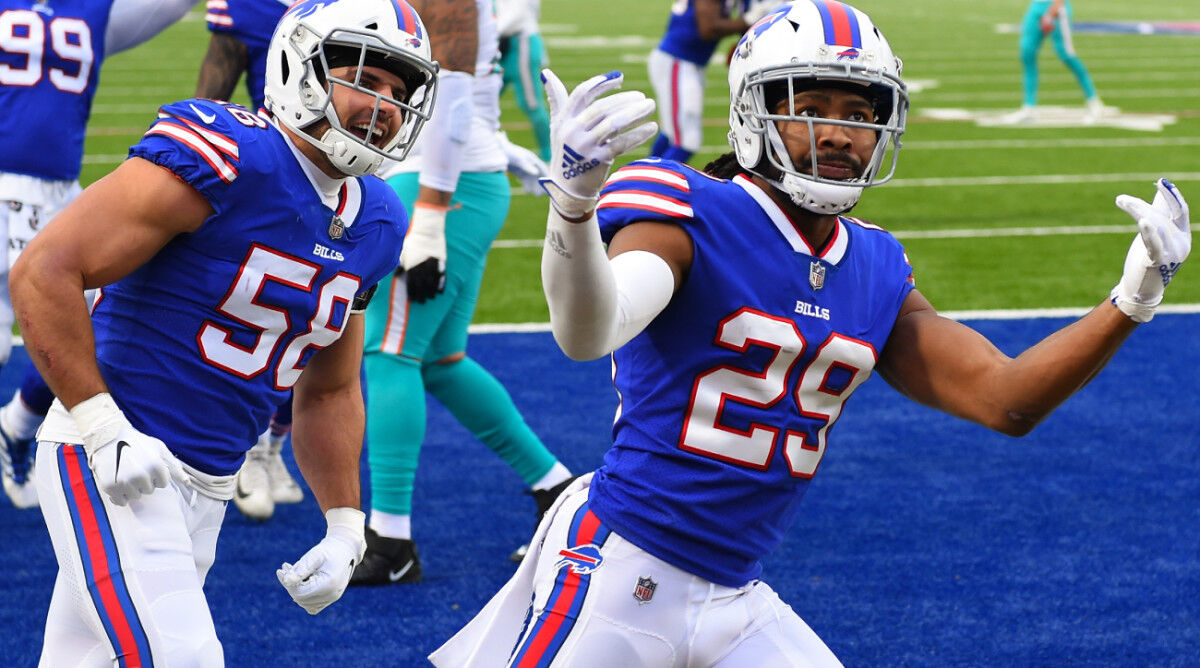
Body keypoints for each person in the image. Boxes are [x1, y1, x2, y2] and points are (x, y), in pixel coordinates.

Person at [430, 1, 1192, 664]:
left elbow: (1006, 399)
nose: (840, 132)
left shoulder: (876, 264)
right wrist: (572, 212)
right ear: (753, 110)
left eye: (862, 114)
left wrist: (1130, 298)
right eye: (811, 104)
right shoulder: (691, 206)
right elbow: (589, 330)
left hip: (735, 596)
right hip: (620, 568)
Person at [11, 0, 438, 662]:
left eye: (398, 91)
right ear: (304, 68)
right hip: (112, 458)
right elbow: (44, 271)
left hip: (209, 485)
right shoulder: (232, 152)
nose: (384, 105)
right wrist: (101, 427)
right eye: (365, 78)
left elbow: (328, 389)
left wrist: (346, 522)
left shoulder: (376, 218)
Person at [349, 0, 572, 586]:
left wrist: (427, 216)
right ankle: (556, 488)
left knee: (389, 353)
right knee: (441, 361)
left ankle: (391, 538)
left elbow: (448, 94)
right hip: (455, 176)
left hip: (439, 184)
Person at [0, 0, 204, 509]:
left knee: (90, 322)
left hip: (59, 194)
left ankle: (17, 423)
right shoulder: (88, 12)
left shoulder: (90, 11)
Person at [194, 0, 308, 521]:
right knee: (261, 319)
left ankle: (270, 449)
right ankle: (241, 450)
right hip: (273, 178)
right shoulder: (249, 5)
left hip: (348, 183)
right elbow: (212, 93)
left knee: (314, 328)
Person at [646, 0, 780, 164]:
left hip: (686, 64)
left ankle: (641, 179)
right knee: (687, 141)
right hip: (678, 62)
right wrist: (747, 20)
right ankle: (651, 184)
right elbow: (708, 28)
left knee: (671, 134)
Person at [1012, 0, 1108, 123]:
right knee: (1027, 53)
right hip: (1036, 6)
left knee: (1067, 55)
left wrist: (1050, 13)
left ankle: (1094, 101)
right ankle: (1029, 107)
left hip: (1057, 8)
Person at [495, 0, 551, 162]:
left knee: (531, 103)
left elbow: (517, 15)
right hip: (503, 43)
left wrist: (489, 31)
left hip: (520, 43)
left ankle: (549, 156)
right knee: (482, 100)